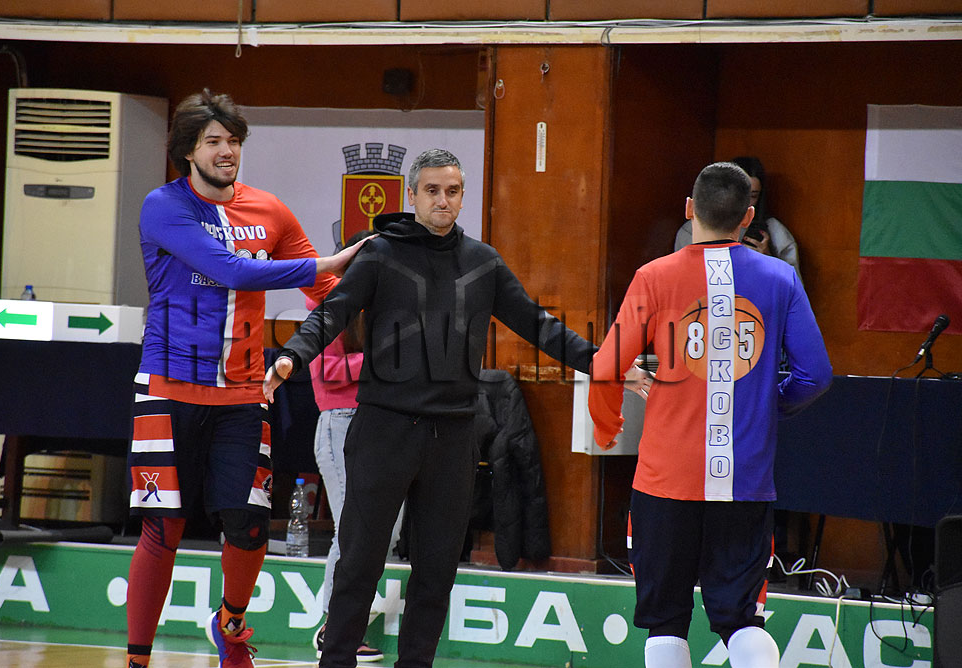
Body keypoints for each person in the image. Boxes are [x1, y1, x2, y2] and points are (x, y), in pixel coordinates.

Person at [264, 148, 648, 668]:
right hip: (383, 431)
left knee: (437, 572)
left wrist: (607, 364)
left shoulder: (483, 262)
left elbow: (539, 325)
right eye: (432, 191)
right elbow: (331, 314)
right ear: (412, 195)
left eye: (452, 191)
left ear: (463, 195)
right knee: (358, 565)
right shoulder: (380, 255)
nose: (442, 201)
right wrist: (291, 356)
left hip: (453, 437)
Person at [124, 89, 368, 668]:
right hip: (167, 389)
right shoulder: (163, 206)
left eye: (233, 141)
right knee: (164, 528)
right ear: (189, 151)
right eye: (213, 141)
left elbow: (326, 292)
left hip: (242, 394)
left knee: (250, 525)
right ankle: (137, 660)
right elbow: (229, 269)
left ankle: (230, 625)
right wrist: (327, 261)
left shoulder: (270, 211)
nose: (226, 151)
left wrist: (383, 306)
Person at [589, 162, 832, 668]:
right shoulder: (781, 277)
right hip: (744, 481)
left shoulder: (653, 277)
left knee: (666, 621)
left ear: (688, 210)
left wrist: (617, 408)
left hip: (664, 481)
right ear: (748, 217)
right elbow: (814, 376)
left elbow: (606, 367)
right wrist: (766, 403)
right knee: (742, 621)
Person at [306, 229, 383, 663]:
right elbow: (326, 371)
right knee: (352, 530)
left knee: (384, 530)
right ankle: (333, 627)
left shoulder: (385, 308)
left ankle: (348, 623)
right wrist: (383, 360)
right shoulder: (328, 306)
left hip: (382, 425)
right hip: (340, 424)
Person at [674, 156, 802, 283]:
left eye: (753, 196)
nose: (745, 203)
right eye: (739, 195)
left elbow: (794, 286)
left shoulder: (776, 232)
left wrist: (768, 259)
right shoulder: (691, 230)